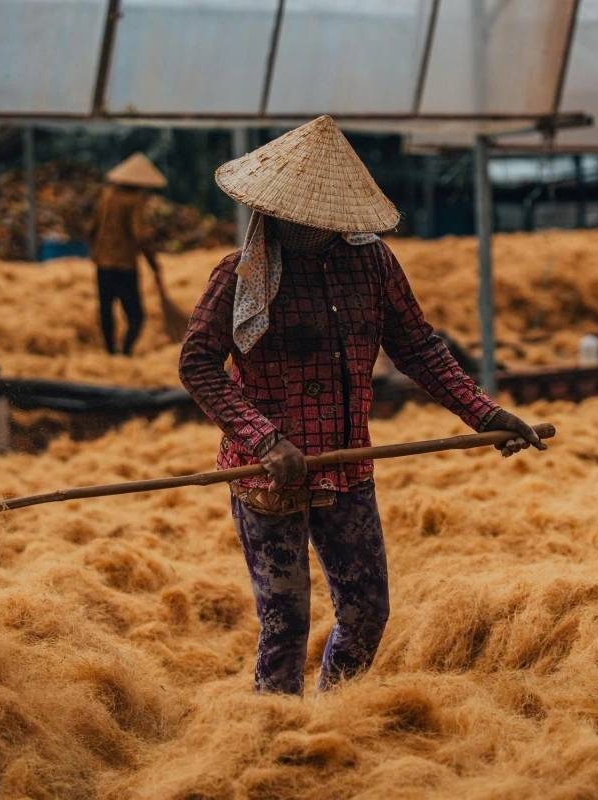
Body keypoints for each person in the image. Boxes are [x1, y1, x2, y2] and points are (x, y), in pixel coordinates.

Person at [179, 115, 546, 695]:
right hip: (268, 477)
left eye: (316, 221)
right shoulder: (240, 276)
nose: (302, 229)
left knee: (367, 612)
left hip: (347, 466)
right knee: (286, 625)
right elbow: (197, 364)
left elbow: (418, 347)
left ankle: (339, 718)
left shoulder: (371, 265)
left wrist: (484, 413)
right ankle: (270, 743)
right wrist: (265, 438)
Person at [88, 153, 166, 355]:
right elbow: (140, 235)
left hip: (103, 264)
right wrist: (152, 261)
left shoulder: (106, 196)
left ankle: (110, 352)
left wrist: (96, 252)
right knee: (136, 316)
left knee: (106, 310)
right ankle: (126, 351)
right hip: (124, 265)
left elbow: (92, 229)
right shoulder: (134, 201)